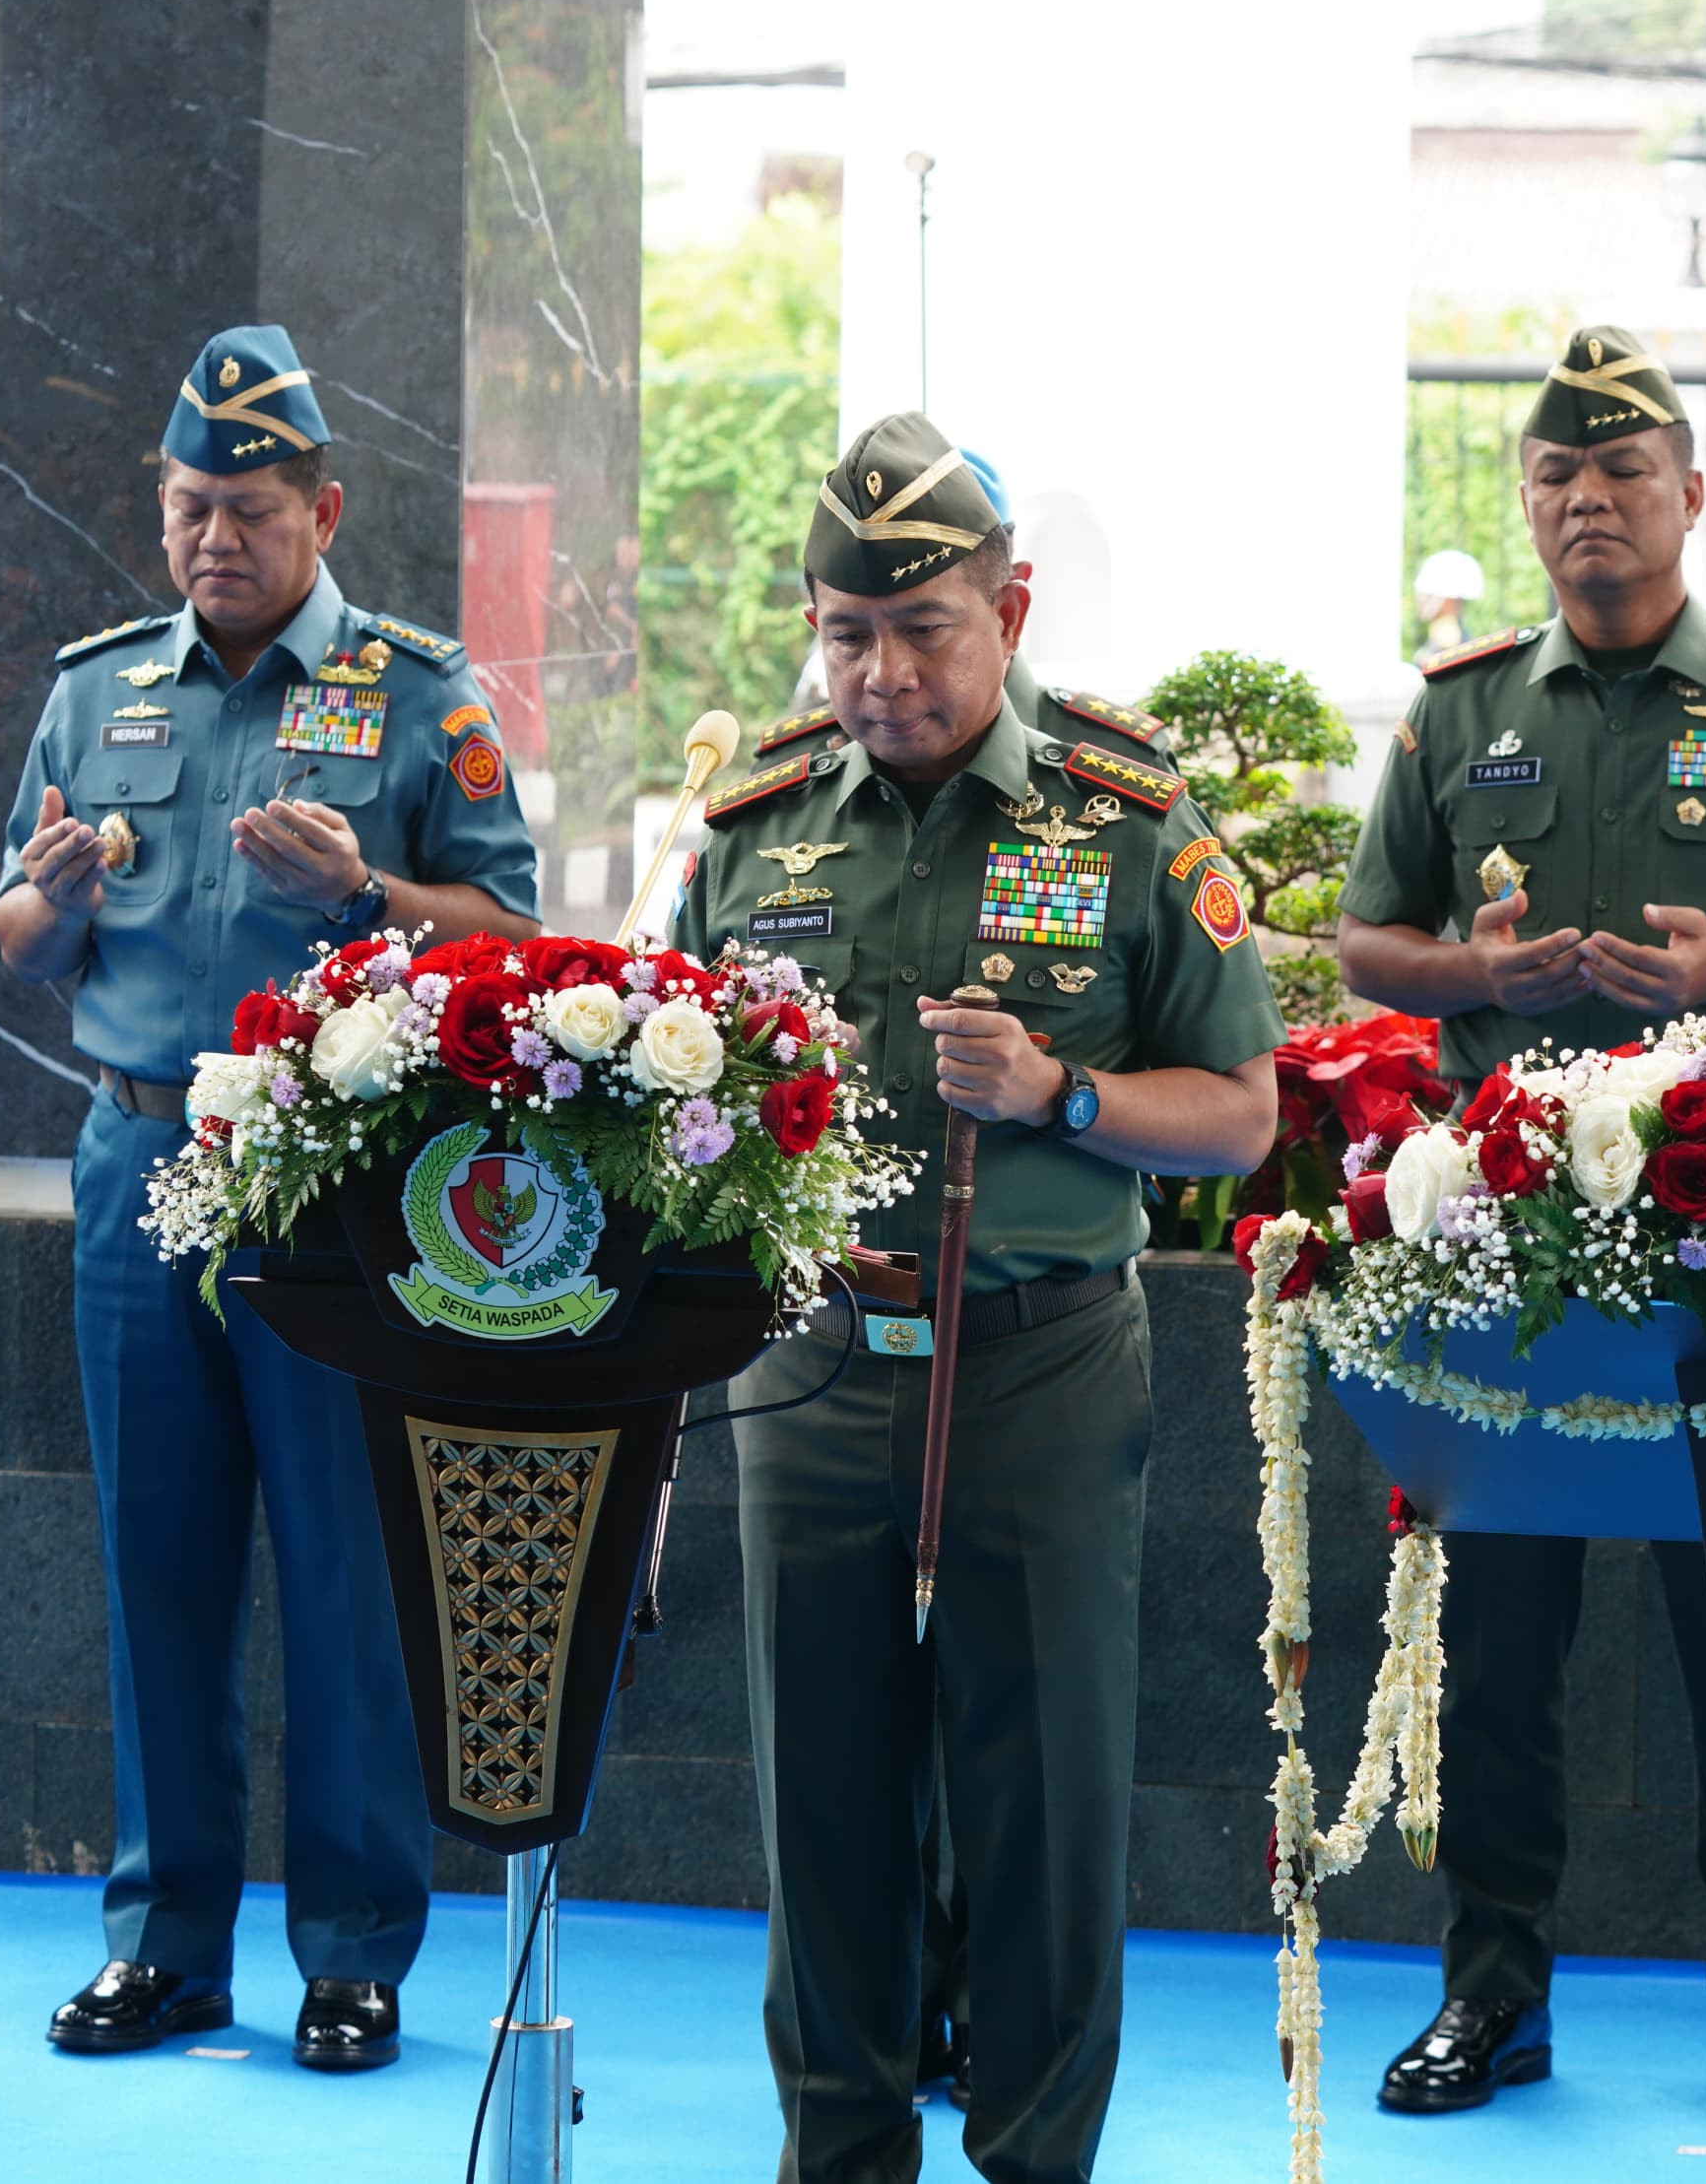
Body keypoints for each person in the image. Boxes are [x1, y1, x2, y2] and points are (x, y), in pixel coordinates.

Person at [1334, 324, 1706, 2114]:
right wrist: (1480, 970)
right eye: (1554, 476)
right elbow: (1373, 939)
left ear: (1692, 493)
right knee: (1500, 1630)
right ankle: (1492, 1989)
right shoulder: (1461, 711)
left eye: (1621, 473)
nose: (1587, 501)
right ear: (1526, 504)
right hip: (1511, 1243)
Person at [673, 409, 1280, 2184]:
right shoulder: (752, 822)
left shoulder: (1130, 817)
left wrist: (1063, 1097)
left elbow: (1240, 1112)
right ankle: (840, 2155)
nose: (882, 672)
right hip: (815, 1373)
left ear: (1009, 611)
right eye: (845, 631)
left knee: (1042, 1819)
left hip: (1039, 1369)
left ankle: (1033, 2158)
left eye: (923, 627)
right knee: (825, 1810)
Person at [0, 326, 542, 2072]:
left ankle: (355, 1946)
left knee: (341, 1566)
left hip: (330, 1179)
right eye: (186, 508)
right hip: (138, 1159)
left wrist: (372, 882)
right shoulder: (98, 692)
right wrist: (54, 897)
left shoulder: (417, 689)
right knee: (156, 1558)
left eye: (249, 508)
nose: (214, 539)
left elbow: (519, 936)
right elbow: (16, 939)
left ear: (324, 508)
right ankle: (165, 1940)